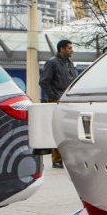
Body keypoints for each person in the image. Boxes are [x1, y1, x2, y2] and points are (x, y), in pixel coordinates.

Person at [40, 39, 77, 168]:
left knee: (67, 130)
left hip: (68, 101)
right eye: (69, 48)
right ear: (62, 49)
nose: (72, 50)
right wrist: (54, 97)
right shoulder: (52, 63)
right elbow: (44, 81)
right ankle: (56, 159)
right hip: (57, 101)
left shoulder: (70, 63)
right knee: (57, 130)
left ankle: (65, 158)